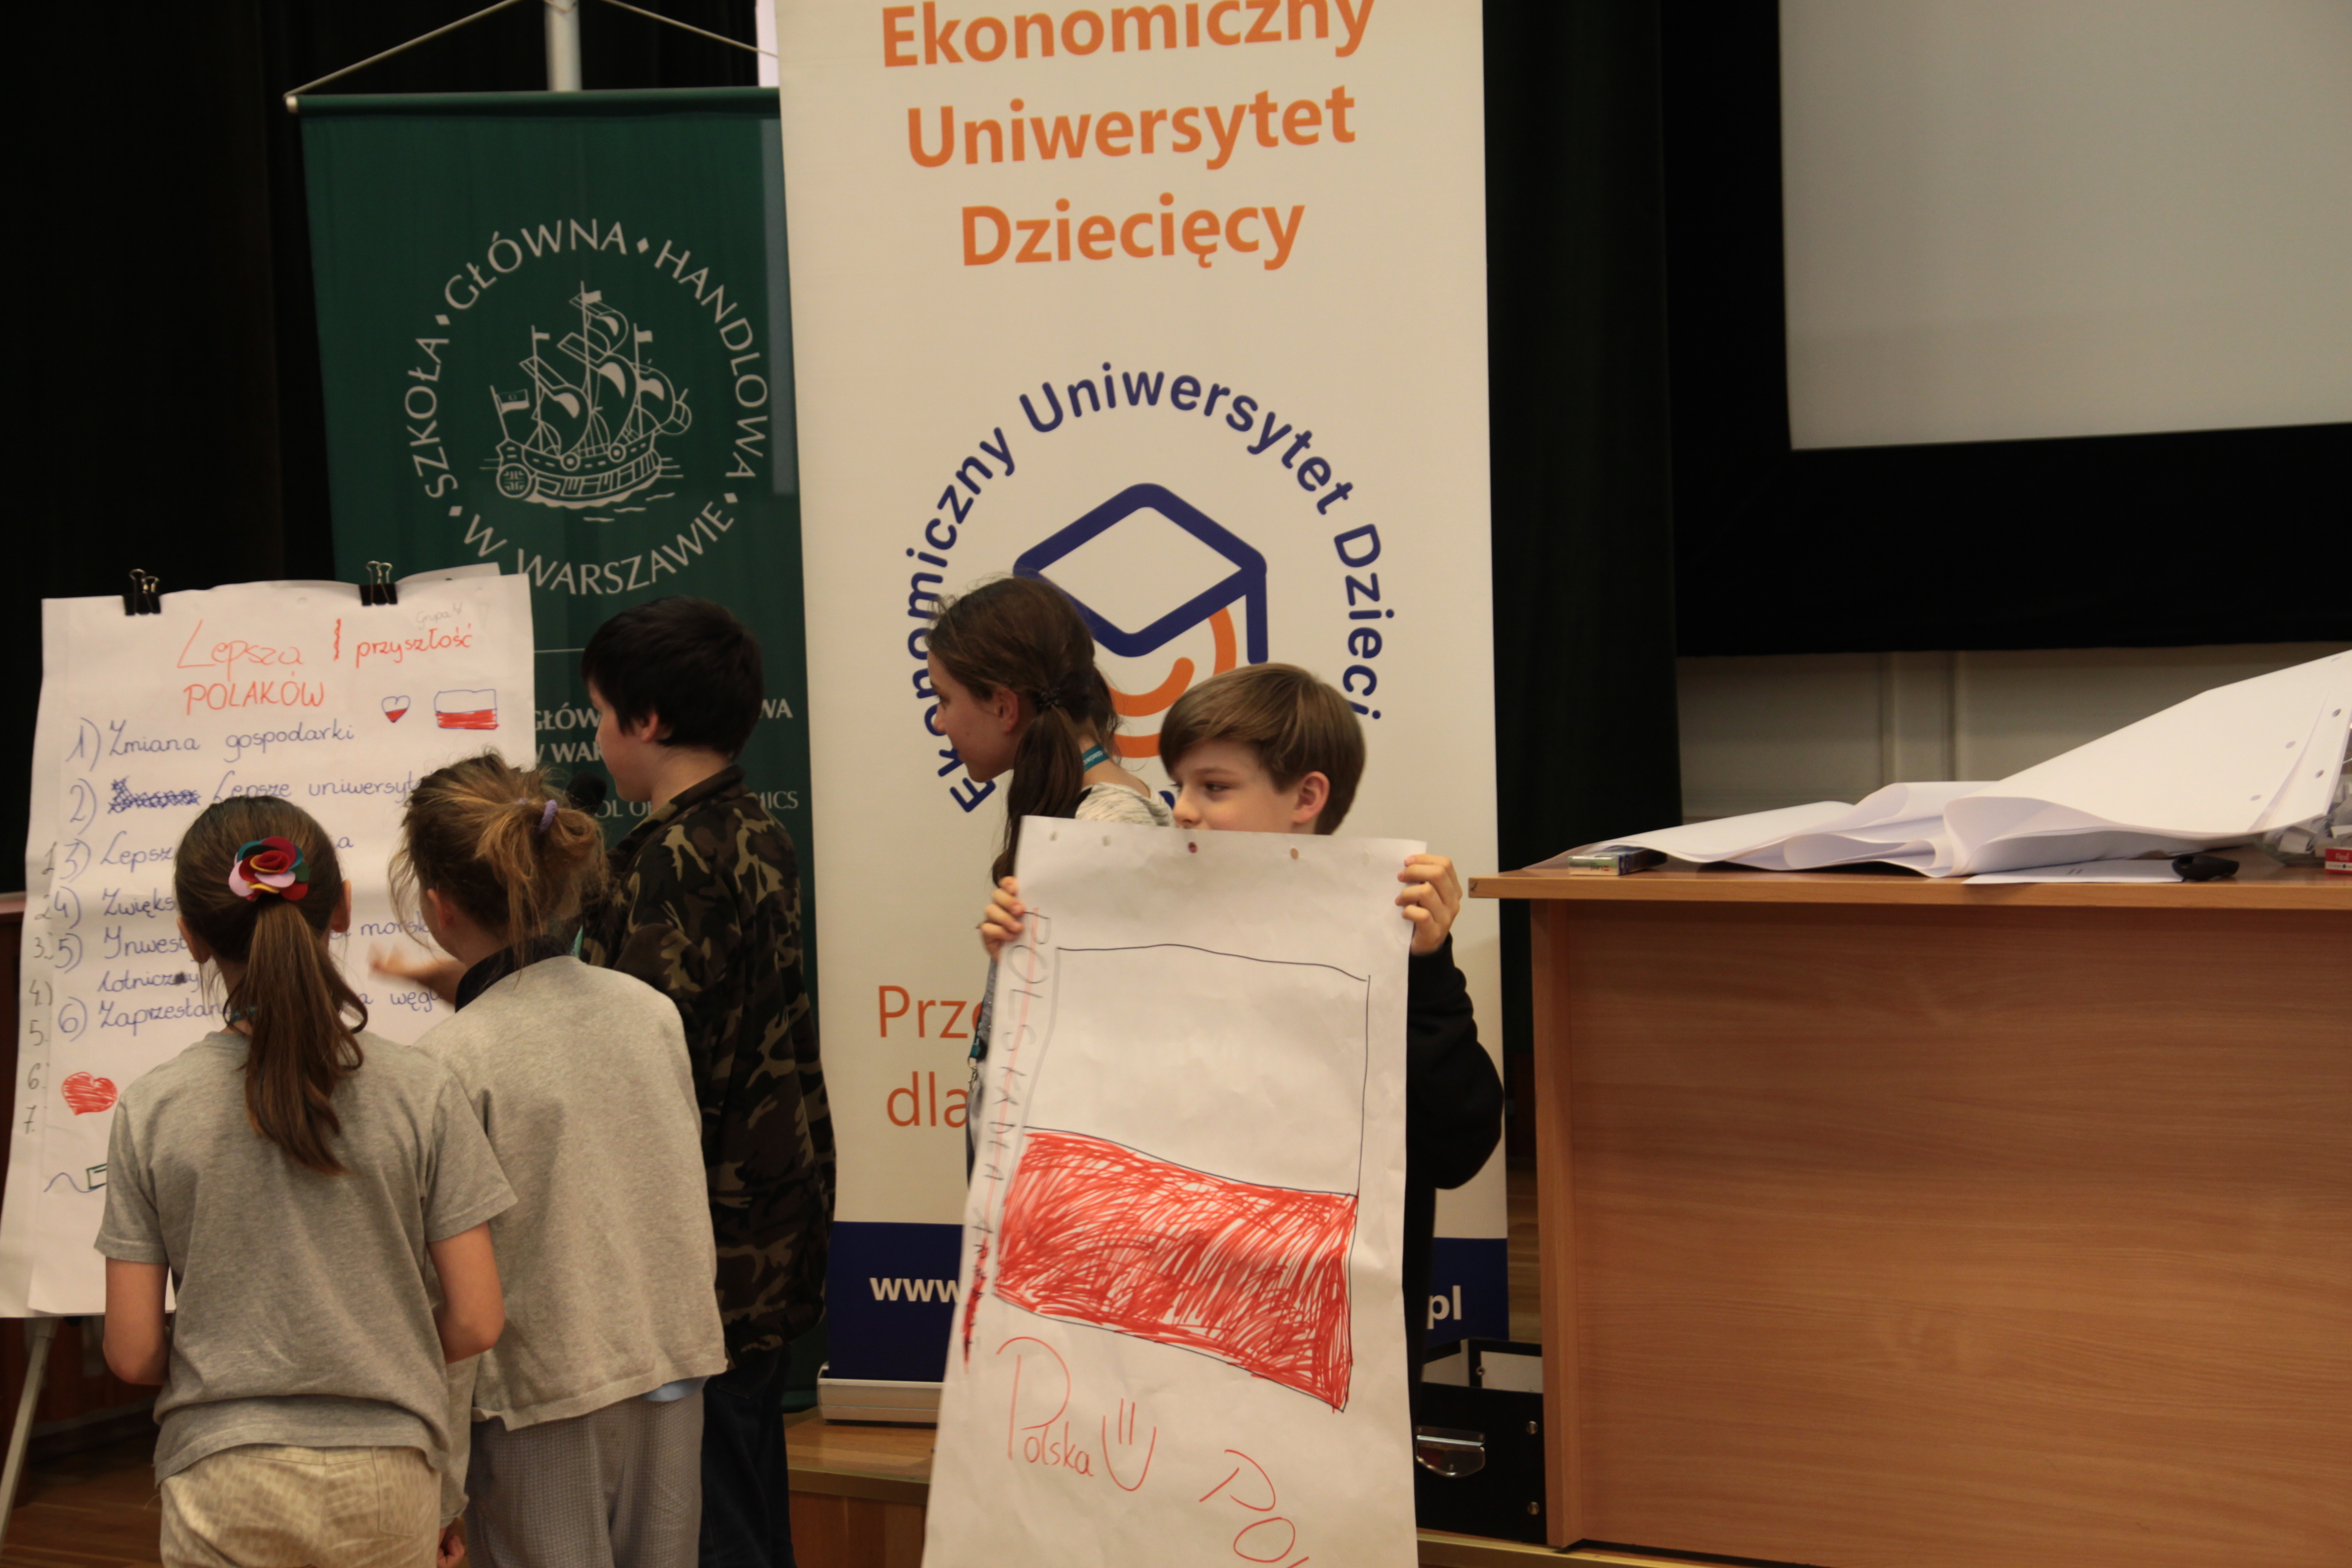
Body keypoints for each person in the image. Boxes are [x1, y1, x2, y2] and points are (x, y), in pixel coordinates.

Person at [979, 662, 1504, 1393]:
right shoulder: (1131, 928)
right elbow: (1068, 1115)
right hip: (1151, 1356)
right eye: (1180, 786)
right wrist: (1027, 973)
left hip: (1315, 1368)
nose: (1184, 811)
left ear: (1307, 797)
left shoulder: (1391, 945)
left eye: (1215, 787)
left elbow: (1459, 1145)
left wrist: (1428, 970)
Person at [99, 798, 513, 1568]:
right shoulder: (422, 1092)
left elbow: (132, 1353)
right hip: (389, 1475)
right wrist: (379, 1352)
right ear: (343, 908)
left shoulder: (152, 1110)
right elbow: (478, 1319)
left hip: (221, 1475)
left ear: (191, 936)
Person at [393, 752, 728, 1567]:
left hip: (540, 1403)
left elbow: (451, 1291)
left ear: (438, 906)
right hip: (672, 1369)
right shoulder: (650, 1013)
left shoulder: (447, 1063)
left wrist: (440, 1484)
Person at [578, 597, 833, 1568]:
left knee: (717, 1508)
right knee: (746, 1486)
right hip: (764, 1221)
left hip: (704, 1242)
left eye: (601, 715)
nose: (596, 739)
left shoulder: (669, 863)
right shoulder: (754, 828)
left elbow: (643, 1062)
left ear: (647, 720)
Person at [929, 575, 1173, 1168]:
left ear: (1004, 707)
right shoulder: (1088, 817)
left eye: (944, 699)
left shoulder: (1109, 830)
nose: (939, 722)